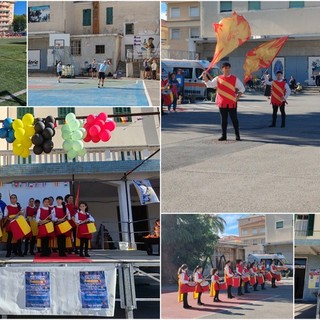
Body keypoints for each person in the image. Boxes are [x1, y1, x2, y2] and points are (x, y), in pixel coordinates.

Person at [203, 62, 245, 141]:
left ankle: (237, 135)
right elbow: (210, 84)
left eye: (228, 68)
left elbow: (242, 88)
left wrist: (237, 97)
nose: (227, 69)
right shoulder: (218, 78)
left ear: (230, 69)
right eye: (225, 68)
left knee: (234, 119)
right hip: (222, 102)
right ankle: (224, 135)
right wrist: (205, 76)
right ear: (222, 69)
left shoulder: (234, 78)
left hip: (232, 102)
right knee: (223, 120)